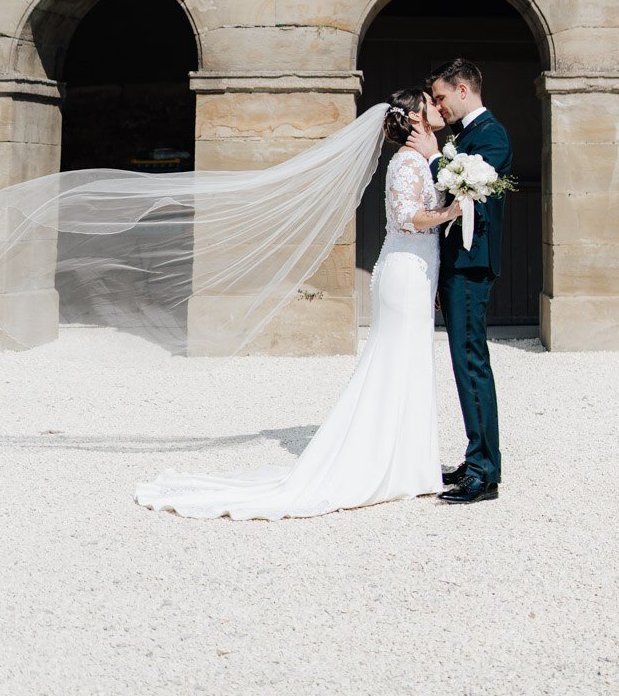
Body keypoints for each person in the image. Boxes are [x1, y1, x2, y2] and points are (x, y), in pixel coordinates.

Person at [133, 88, 462, 520]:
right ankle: (385, 462)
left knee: (411, 362)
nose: (439, 108)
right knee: (395, 362)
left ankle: (408, 463)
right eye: (430, 103)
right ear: (416, 118)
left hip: (419, 269)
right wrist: (454, 209)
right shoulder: (405, 162)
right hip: (404, 272)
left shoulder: (423, 159)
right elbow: (408, 217)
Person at [408, 57, 512, 506]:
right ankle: (475, 460)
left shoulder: (492, 135)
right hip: (456, 264)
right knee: (463, 365)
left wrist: (433, 158)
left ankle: (485, 473)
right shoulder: (465, 137)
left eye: (441, 97)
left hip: (471, 267)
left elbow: (467, 190)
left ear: (464, 90)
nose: (437, 105)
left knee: (471, 365)